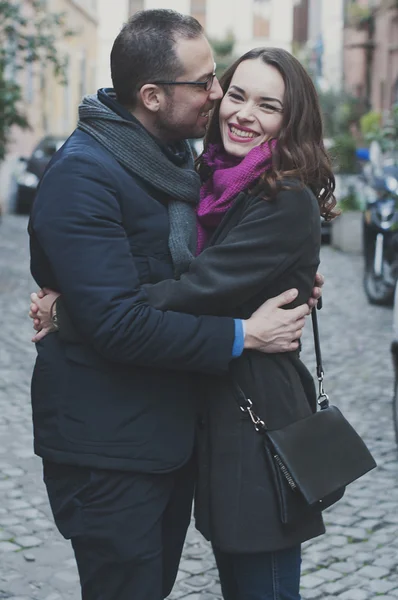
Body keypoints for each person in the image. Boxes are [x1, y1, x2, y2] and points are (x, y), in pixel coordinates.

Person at [28, 10, 324, 600]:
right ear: (153, 96)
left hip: (197, 432)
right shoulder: (97, 174)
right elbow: (127, 318)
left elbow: (205, 274)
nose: (222, 101)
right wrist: (244, 331)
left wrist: (286, 276)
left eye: (265, 104)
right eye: (215, 85)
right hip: (111, 446)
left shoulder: (186, 174)